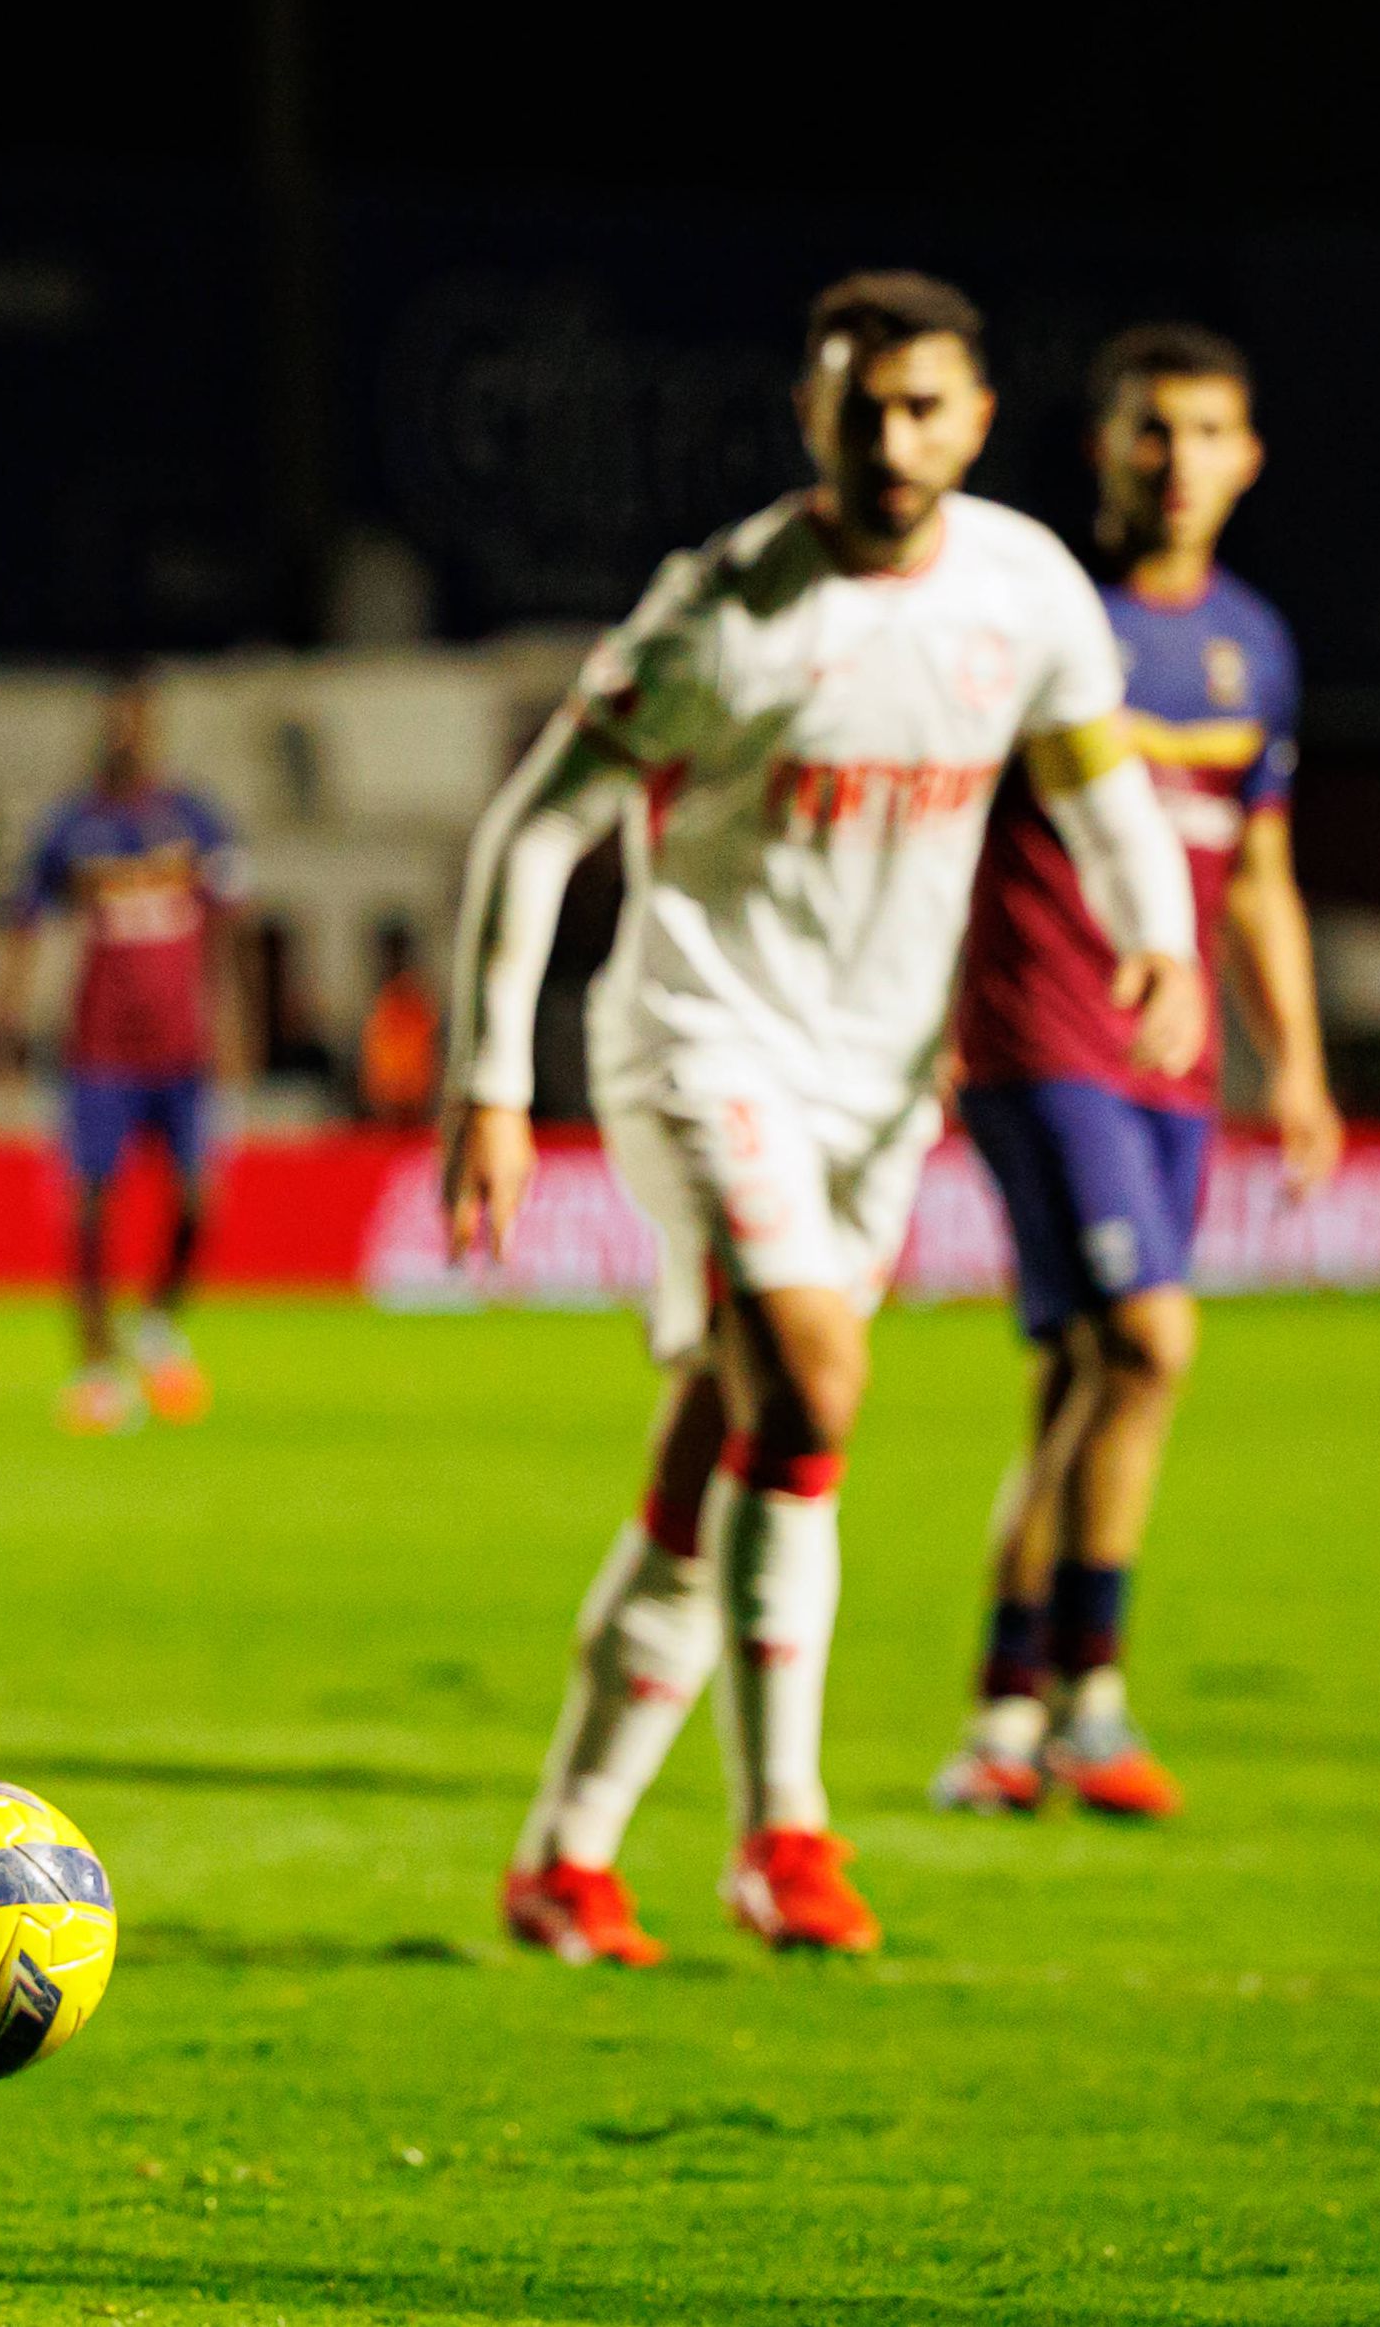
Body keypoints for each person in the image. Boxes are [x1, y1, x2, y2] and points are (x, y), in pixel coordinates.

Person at [449, 272, 1205, 1966]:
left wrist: (1153, 929)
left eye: (920, 405)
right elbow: (530, 831)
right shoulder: (722, 612)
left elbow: (1093, 783)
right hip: (695, 1037)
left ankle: (562, 1852)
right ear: (806, 412)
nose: (888, 437)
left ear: (976, 417)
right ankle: (779, 1831)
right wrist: (486, 1085)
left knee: (724, 1437)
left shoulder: (1021, 592)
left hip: (872, 1081)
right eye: (857, 405)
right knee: (808, 1372)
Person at [932, 324, 1341, 1820]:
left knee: (1085, 1382)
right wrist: (926, 1024)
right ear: (1104, 450)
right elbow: (944, 829)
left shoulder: (1254, 645)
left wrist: (1292, 1062)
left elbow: (1257, 876)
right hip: (1043, 1035)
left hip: (1174, 1068)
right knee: (1152, 1340)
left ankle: (1020, 1713)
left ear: (1248, 458)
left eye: (1207, 432)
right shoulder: (1045, 622)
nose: (1177, 462)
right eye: (1149, 431)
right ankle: (1072, 1695)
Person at [0, 675, 251, 1434]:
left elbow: (231, 929)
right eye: (116, 726)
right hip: (99, 1048)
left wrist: (237, 1031)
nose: (126, 738)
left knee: (200, 1196)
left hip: (182, 1048)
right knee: (91, 1206)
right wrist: (4, 1033)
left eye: (138, 725)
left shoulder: (193, 820)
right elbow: (23, 932)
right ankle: (97, 1368)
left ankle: (158, 1321)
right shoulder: (71, 827)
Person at [356, 915, 438, 1126]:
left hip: (415, 1109)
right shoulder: (378, 1004)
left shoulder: (417, 1003)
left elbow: (428, 1055)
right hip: (384, 1108)